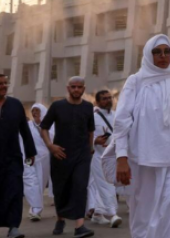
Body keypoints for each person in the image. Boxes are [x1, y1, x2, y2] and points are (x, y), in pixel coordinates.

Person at [112, 34, 170, 238]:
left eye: (167, 52)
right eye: (157, 52)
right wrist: (121, 157)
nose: (163, 56)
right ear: (148, 54)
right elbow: (122, 121)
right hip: (143, 159)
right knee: (144, 213)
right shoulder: (136, 81)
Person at [39, 76, 96, 238]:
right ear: (68, 88)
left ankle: (79, 226)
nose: (76, 90)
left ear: (84, 89)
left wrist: (89, 149)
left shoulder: (88, 107)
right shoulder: (57, 106)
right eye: (73, 87)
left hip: (82, 154)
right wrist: (50, 146)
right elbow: (44, 128)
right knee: (61, 188)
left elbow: (90, 130)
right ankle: (60, 219)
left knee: (80, 186)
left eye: (79, 87)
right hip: (61, 154)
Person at [0, 74, 36, 238]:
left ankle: (13, 227)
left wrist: (30, 151)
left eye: (5, 83)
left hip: (12, 158)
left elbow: (24, 130)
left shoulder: (15, 105)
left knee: (13, 191)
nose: (4, 86)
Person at [86, 90, 123, 228]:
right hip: (98, 156)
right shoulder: (92, 117)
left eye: (109, 98)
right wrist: (95, 140)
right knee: (105, 185)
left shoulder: (116, 115)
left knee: (110, 184)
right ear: (97, 102)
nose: (108, 100)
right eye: (104, 98)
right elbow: (84, 135)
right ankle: (112, 214)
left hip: (115, 157)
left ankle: (97, 214)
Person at [23, 103, 50, 222]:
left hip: (45, 158)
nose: (34, 113)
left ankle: (36, 208)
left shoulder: (50, 125)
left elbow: (53, 139)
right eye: (33, 111)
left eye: (37, 111)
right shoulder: (27, 126)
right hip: (29, 158)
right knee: (31, 181)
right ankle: (35, 209)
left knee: (41, 183)